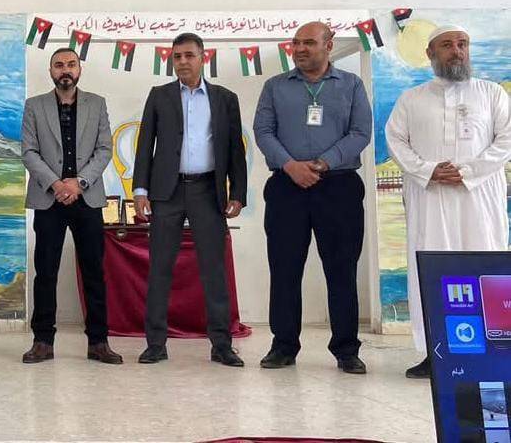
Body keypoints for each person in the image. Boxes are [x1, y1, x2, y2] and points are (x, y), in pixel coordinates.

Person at [385, 26, 511, 379]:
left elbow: (506, 140)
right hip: (431, 197)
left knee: (484, 267)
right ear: (430, 53)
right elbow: (395, 140)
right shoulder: (412, 98)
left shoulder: (491, 94)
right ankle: (434, 352)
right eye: (447, 45)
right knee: (432, 269)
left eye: (462, 44)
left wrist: (468, 172)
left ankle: (494, 352)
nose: (457, 51)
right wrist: (428, 170)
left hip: (479, 198)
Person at [253, 21, 371, 374]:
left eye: (308, 42)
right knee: (285, 269)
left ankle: (347, 349)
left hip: (339, 186)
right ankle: (283, 346)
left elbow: (361, 132)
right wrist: (291, 166)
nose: (300, 49)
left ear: (328, 45)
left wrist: (323, 162)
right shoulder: (275, 86)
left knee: (341, 270)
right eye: (296, 43)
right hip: (286, 187)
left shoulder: (351, 85)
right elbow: (263, 131)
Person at [132, 33, 247, 367]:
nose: (182, 61)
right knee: (160, 268)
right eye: (177, 56)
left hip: (207, 191)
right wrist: (140, 190)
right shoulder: (159, 95)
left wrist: (238, 193)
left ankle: (222, 345)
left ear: (203, 57)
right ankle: (155, 343)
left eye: (188, 55)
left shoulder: (225, 98)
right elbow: (145, 144)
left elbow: (234, 150)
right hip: (166, 192)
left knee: (213, 270)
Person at [20, 47, 122, 364]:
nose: (65, 69)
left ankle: (98, 342)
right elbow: (29, 151)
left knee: (94, 271)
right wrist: (56, 184)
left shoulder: (97, 103)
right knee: (45, 272)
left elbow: (104, 149)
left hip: (86, 198)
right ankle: (42, 341)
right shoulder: (34, 105)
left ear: (79, 69)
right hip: (48, 198)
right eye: (59, 65)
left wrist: (79, 183)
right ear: (51, 71)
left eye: (71, 64)